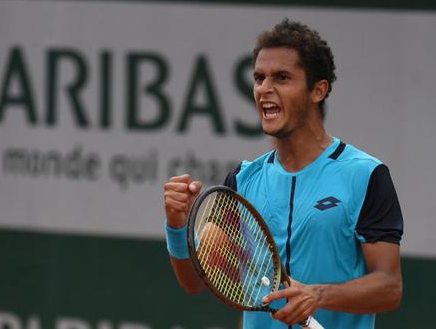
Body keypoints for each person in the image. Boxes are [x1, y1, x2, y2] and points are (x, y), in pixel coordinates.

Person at [163, 18, 403, 329]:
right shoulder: (243, 179)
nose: (265, 89)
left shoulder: (366, 175)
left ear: (318, 91)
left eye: (282, 78)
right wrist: (177, 226)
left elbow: (389, 287)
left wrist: (317, 295)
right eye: (259, 78)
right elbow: (195, 283)